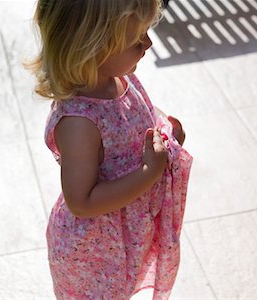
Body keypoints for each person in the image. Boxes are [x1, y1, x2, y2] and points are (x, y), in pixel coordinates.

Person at [25, 0, 193, 299]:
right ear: (91, 47)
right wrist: (148, 172)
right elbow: (82, 201)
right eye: (136, 39)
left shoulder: (120, 77)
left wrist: (166, 131)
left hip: (124, 239)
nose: (148, 43)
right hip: (93, 254)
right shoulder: (79, 122)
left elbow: (138, 118)